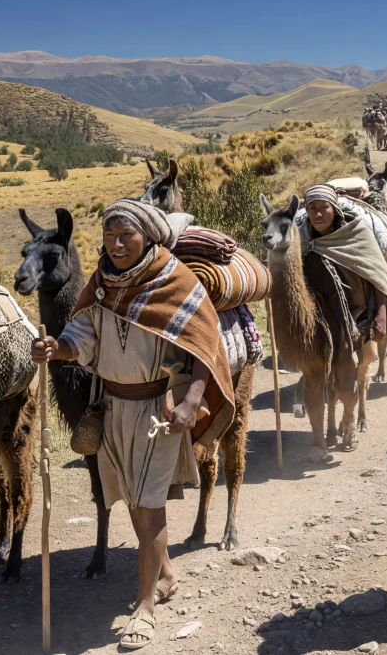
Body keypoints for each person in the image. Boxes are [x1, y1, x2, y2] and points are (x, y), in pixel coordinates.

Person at [30, 199, 236, 650]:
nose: (117, 244)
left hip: (156, 412)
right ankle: (165, 575)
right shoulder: (103, 285)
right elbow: (82, 337)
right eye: (109, 236)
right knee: (127, 498)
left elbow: (204, 347)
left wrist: (193, 402)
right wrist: (57, 349)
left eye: (126, 236)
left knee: (148, 506)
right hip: (110, 408)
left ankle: (144, 608)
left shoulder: (175, 281)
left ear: (148, 237)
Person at [300, 184, 387, 458]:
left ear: (335, 209)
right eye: (312, 208)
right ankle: (318, 441)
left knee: (346, 380)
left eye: (323, 207)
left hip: (351, 321)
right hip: (315, 325)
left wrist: (380, 313)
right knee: (314, 382)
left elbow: (377, 274)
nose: (318, 214)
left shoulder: (356, 235)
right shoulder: (301, 239)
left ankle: (349, 422)